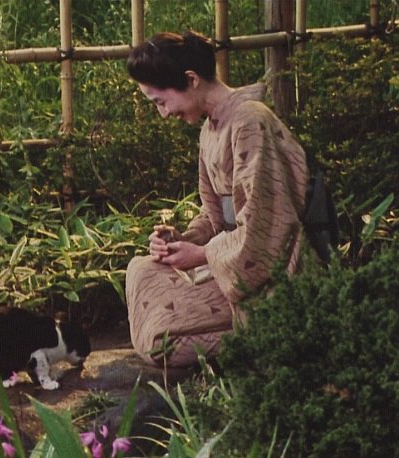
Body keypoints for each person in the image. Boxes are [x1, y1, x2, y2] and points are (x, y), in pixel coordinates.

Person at [125, 31, 309, 367]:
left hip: (270, 270)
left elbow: (266, 225)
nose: (163, 114)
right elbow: (215, 216)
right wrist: (181, 240)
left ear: (191, 80)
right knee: (141, 270)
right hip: (230, 258)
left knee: (161, 343)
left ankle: (272, 331)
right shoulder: (210, 129)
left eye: (161, 102)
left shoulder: (250, 121)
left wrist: (202, 254)